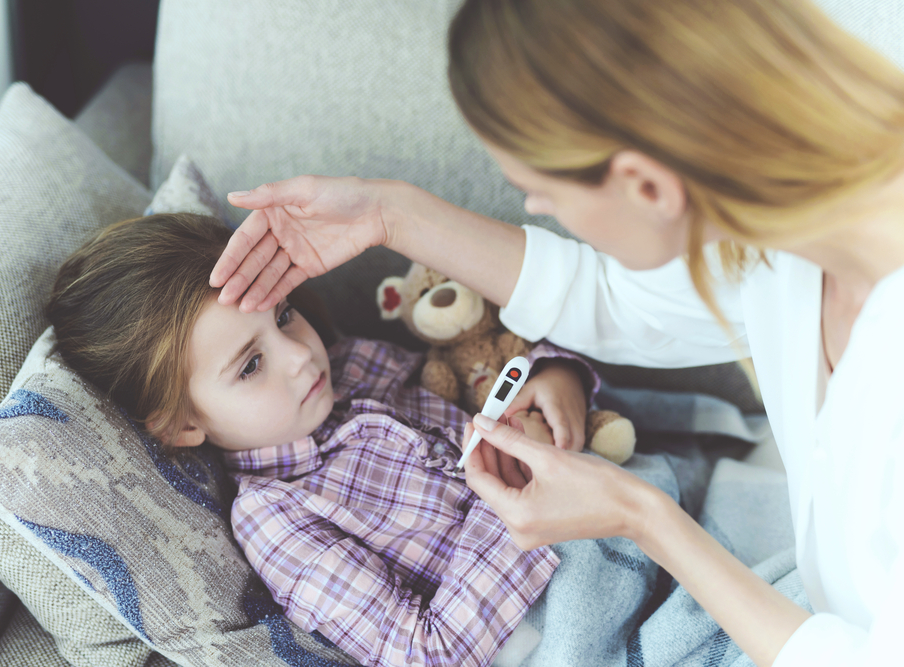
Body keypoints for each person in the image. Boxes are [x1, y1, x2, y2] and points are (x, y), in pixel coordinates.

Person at [208, 1, 904, 665]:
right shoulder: (784, 235)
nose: (535, 208)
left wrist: (641, 516)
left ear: (647, 187)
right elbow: (609, 301)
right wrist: (389, 216)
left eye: (542, 193)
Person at [45, 212, 610, 667]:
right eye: (251, 365)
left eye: (285, 315)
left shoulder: (352, 364)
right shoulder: (275, 516)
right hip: (550, 616)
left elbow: (481, 381)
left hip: (607, 502)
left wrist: (553, 378)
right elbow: (424, 654)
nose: (300, 354)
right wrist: (510, 488)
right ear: (182, 425)